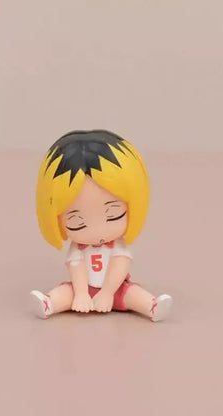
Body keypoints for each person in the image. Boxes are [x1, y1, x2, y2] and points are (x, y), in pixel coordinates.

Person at [30, 129, 172, 322]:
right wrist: (81, 294)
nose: (97, 231)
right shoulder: (78, 249)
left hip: (116, 289)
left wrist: (107, 293)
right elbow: (77, 268)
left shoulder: (118, 247)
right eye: (77, 221)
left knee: (132, 293)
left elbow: (120, 265)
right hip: (82, 290)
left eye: (113, 214)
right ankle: (49, 303)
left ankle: (151, 306)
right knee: (66, 292)